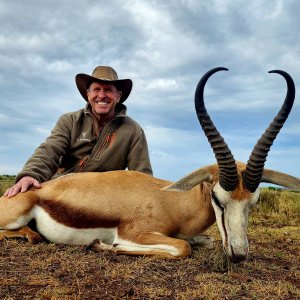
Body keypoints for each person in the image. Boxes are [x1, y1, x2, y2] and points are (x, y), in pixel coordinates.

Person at [5, 66, 152, 198]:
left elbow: (142, 177)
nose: (101, 95)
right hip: (59, 191)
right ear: (88, 94)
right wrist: (30, 175)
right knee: (21, 198)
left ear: (118, 96)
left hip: (101, 199)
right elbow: (50, 149)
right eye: (96, 89)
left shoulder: (133, 130)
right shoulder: (69, 120)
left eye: (108, 90)